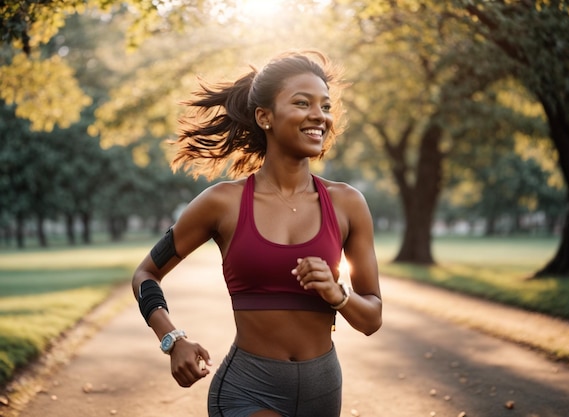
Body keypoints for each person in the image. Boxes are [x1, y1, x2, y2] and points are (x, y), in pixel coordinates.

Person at [131, 50, 382, 417]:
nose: (319, 116)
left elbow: (372, 319)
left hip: (324, 387)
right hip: (249, 389)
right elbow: (145, 274)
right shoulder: (223, 202)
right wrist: (173, 339)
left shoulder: (347, 203)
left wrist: (337, 294)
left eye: (325, 106)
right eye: (302, 103)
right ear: (265, 117)